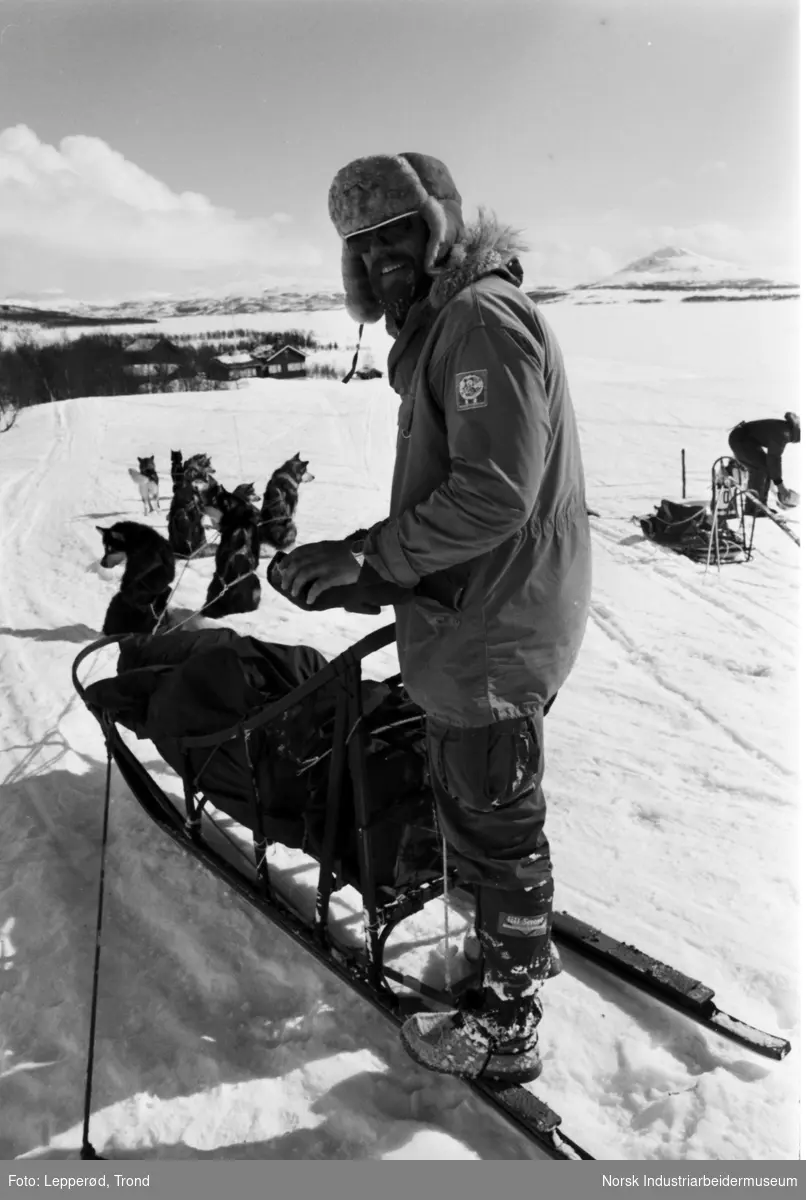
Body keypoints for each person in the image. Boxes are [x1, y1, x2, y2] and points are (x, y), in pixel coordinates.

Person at [277, 153, 591, 1084]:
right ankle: (502, 950)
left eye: (396, 236)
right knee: (475, 801)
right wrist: (371, 573)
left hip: (495, 633)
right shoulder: (449, 327)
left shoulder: (477, 321)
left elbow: (495, 495)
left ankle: (508, 1019)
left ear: (438, 228)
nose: (381, 262)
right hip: (480, 612)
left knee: (495, 819)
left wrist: (371, 558)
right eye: (361, 250)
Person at [728, 413, 800, 516]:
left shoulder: (787, 430)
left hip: (747, 440)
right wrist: (780, 486)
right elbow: (774, 459)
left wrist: (778, 483)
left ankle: (760, 505)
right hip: (740, 439)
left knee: (765, 469)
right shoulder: (783, 434)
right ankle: (753, 508)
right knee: (760, 469)